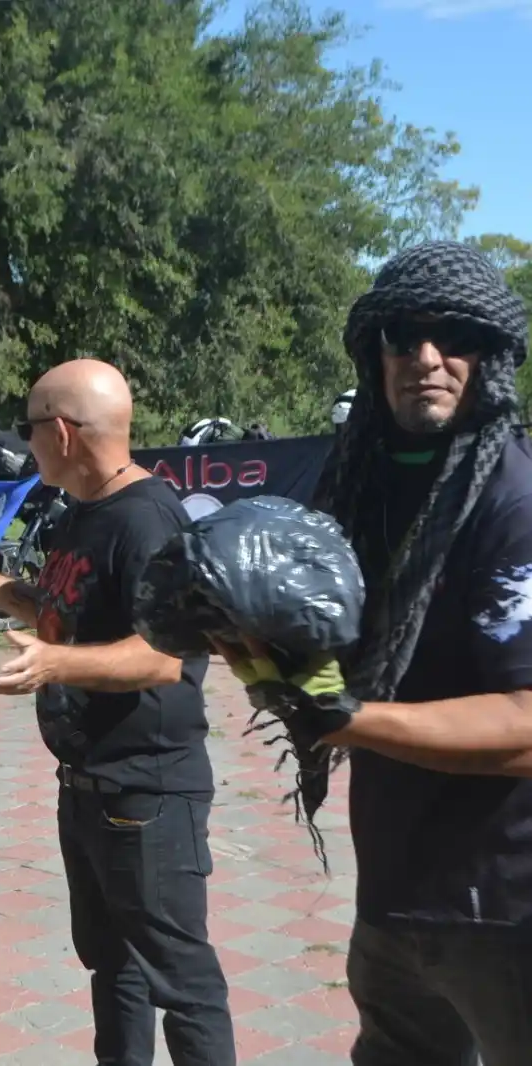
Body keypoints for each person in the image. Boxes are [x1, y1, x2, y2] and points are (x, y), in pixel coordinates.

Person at [215, 241, 532, 1065]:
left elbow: (526, 725)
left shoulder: (514, 502)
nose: (424, 357)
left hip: (503, 906)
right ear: (373, 351)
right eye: (401, 335)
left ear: (491, 355)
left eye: (453, 336)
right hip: (392, 888)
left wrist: (343, 717)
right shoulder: (360, 482)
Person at [0, 359, 236, 1066]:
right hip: (90, 787)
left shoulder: (146, 519)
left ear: (60, 432)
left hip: (147, 792)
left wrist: (57, 665)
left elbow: (166, 656)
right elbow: (66, 610)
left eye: (29, 427)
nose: (25, 443)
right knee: (112, 966)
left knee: (180, 981)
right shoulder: (85, 513)